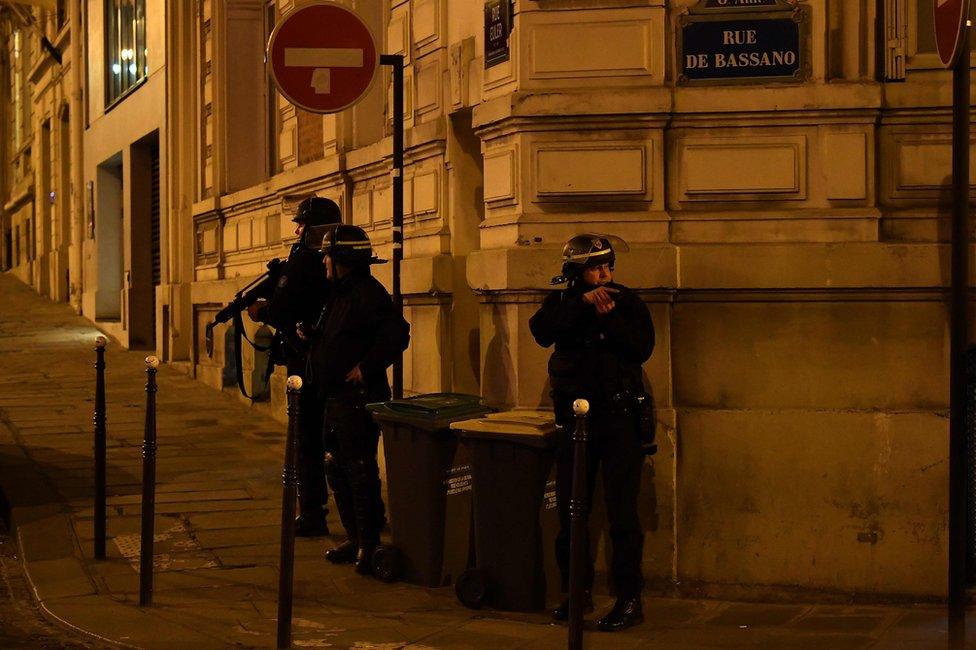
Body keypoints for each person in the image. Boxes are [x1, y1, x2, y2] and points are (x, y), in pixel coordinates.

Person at [528, 234, 654, 632]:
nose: (605, 274)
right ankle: (575, 591)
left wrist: (609, 316)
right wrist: (582, 306)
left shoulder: (626, 301)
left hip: (619, 420)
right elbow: (542, 331)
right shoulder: (564, 303)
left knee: (622, 515)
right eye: (596, 268)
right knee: (571, 510)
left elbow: (641, 347)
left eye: (608, 266)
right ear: (576, 273)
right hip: (577, 425)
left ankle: (629, 598)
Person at [306, 225, 409, 574]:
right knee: (336, 466)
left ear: (343, 260)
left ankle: (369, 544)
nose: (324, 261)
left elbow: (397, 333)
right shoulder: (340, 292)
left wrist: (366, 367)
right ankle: (354, 537)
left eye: (328, 255)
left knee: (359, 469)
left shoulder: (368, 293)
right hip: (334, 396)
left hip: (357, 398)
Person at [247, 196, 340, 537]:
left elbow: (285, 307)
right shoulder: (340, 260)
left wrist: (262, 311)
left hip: (308, 362)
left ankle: (313, 512)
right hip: (330, 363)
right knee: (339, 441)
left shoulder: (305, 260)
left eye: (302, 224)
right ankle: (358, 517)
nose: (298, 230)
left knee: (307, 439)